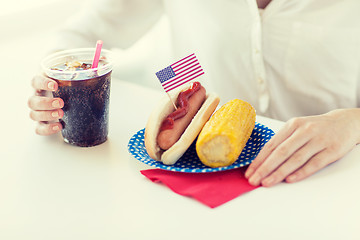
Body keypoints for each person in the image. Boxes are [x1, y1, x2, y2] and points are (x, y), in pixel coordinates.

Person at [28, 0, 360, 187]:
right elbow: (81, 33)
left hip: (331, 175)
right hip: (189, 177)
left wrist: (353, 121)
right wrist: (49, 90)